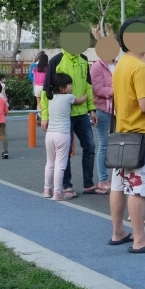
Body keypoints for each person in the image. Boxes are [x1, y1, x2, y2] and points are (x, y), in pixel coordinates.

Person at [108, 20, 145, 253]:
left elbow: (132, 96)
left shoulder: (122, 64)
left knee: (119, 186)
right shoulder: (141, 67)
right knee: (139, 190)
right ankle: (140, 239)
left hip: (122, 133)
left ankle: (118, 232)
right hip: (142, 137)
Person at [42, 44, 98, 195]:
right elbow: (46, 88)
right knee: (64, 153)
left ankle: (88, 184)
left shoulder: (84, 60)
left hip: (82, 114)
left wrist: (92, 109)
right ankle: (66, 186)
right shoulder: (56, 60)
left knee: (90, 147)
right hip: (63, 117)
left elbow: (88, 86)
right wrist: (45, 115)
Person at [41, 73, 88, 201]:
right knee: (60, 165)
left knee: (50, 164)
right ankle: (57, 192)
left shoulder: (50, 97)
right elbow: (80, 101)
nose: (71, 86)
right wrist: (87, 94)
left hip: (50, 134)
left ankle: (47, 189)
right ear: (62, 87)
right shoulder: (69, 98)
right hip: (62, 134)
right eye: (69, 84)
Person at [89, 53, 116, 195]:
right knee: (104, 144)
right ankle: (103, 179)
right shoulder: (97, 67)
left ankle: (117, 178)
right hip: (102, 109)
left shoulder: (119, 64)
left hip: (120, 110)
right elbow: (97, 89)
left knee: (119, 144)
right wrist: (115, 90)